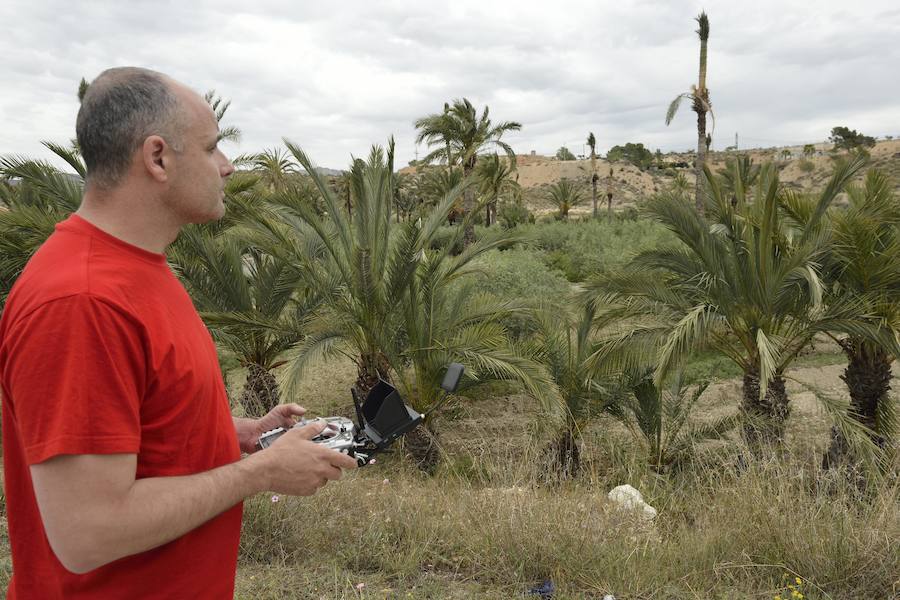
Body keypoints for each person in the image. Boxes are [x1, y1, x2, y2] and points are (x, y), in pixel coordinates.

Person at [0, 67, 358, 599]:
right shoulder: (83, 301)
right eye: (212, 148)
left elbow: (138, 417)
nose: (227, 166)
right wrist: (259, 472)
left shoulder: (140, 268)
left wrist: (236, 435)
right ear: (158, 157)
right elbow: (87, 532)